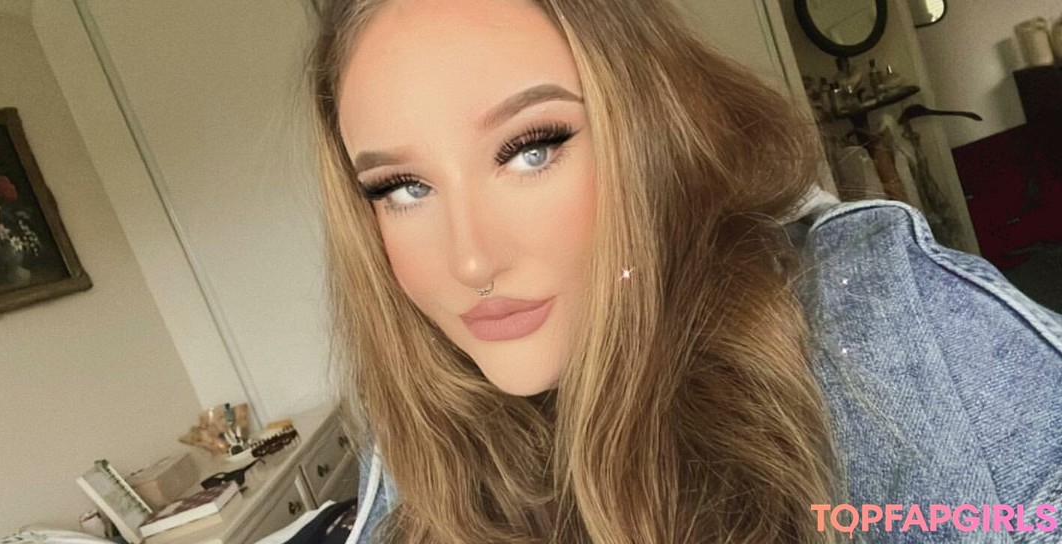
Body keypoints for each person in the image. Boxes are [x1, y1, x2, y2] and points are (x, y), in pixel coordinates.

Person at [306, 0, 1062, 542]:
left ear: (653, 133)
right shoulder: (416, 430)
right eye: (402, 188)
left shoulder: (896, 338)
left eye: (531, 149)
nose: (471, 260)